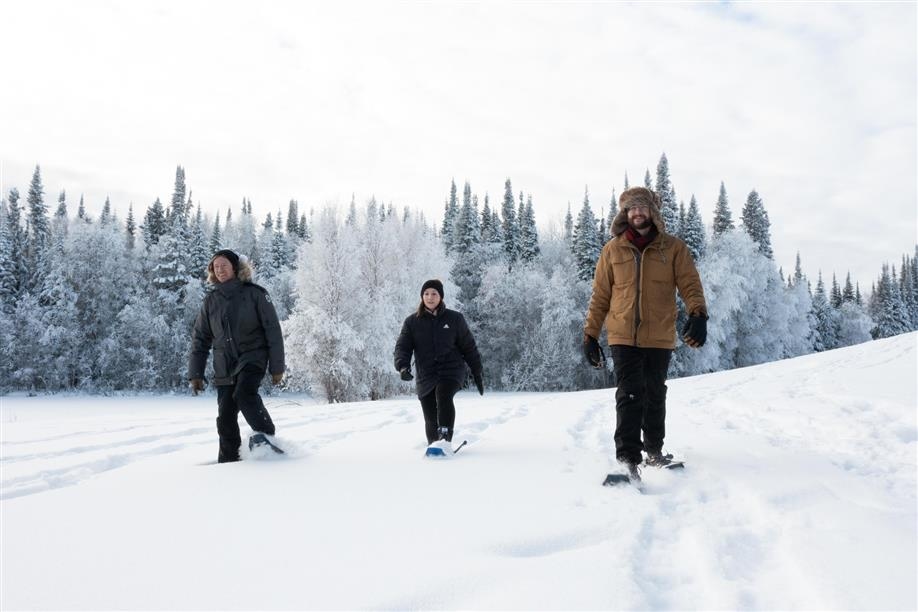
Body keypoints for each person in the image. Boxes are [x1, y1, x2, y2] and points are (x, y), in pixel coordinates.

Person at [582, 187, 708, 480]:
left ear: (652, 212)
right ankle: (627, 461)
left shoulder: (673, 248)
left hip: (659, 334)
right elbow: (600, 295)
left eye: (642, 208)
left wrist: (698, 314)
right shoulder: (612, 250)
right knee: (629, 393)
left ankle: (654, 451)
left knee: (654, 393)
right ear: (624, 214)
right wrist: (590, 335)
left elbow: (690, 284)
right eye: (631, 209)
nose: (637, 213)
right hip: (622, 334)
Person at [188, 249, 286, 463]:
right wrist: (195, 372)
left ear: (235, 267)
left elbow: (273, 331)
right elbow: (200, 339)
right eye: (216, 267)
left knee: (244, 395)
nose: (220, 270)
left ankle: (267, 438)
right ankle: (229, 461)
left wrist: (277, 367)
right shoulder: (210, 302)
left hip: (253, 358)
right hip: (224, 366)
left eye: (224, 265)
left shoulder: (256, 294)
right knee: (225, 417)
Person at [394, 279, 484, 447]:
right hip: (426, 374)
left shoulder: (455, 319)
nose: (430, 297)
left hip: (451, 371)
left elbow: (469, 346)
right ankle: (434, 445)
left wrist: (477, 372)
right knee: (429, 414)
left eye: (434, 294)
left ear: (441, 297)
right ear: (422, 297)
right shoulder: (412, 322)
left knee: (443, 394)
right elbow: (402, 347)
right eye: (426, 294)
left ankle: (444, 438)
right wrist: (402, 366)